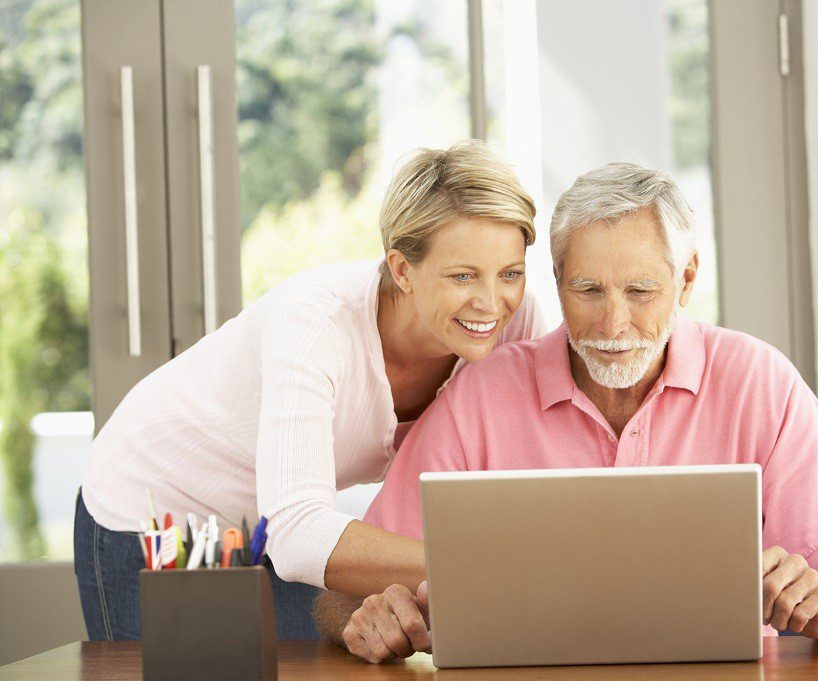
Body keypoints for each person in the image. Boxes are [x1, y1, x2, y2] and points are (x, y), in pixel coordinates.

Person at [314, 162, 818, 662]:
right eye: (588, 290)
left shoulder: (760, 382)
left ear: (686, 280)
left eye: (641, 291)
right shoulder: (479, 397)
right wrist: (366, 619)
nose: (613, 324)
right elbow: (339, 596)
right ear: (557, 282)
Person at [75, 140, 546, 641]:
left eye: (510, 273)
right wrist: (483, 566)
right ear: (402, 269)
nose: (491, 302)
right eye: (463, 276)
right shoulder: (315, 325)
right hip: (160, 514)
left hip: (273, 524)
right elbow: (298, 535)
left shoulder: (512, 324)